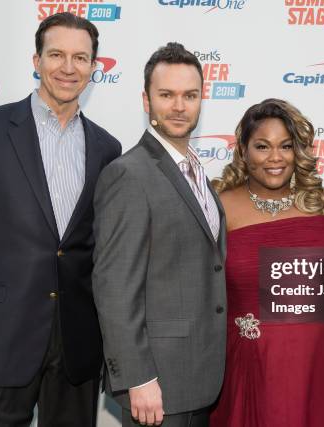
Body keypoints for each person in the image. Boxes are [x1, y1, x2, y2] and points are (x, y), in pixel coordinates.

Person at [0, 12, 121, 426]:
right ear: (36, 60)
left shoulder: (107, 148)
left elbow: (100, 254)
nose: (67, 68)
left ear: (94, 67)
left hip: (76, 345)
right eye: (56, 54)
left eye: (80, 57)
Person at [92, 42, 226, 427]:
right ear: (146, 100)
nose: (179, 106)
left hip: (199, 375)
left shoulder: (196, 170)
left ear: (202, 98)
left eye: (190, 95)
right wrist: (138, 377)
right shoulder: (129, 174)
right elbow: (114, 286)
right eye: (166, 95)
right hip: (158, 383)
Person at [209, 99, 324, 427]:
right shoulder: (218, 206)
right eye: (262, 146)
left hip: (318, 365)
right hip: (249, 363)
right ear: (243, 151)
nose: (275, 158)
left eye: (286, 146)